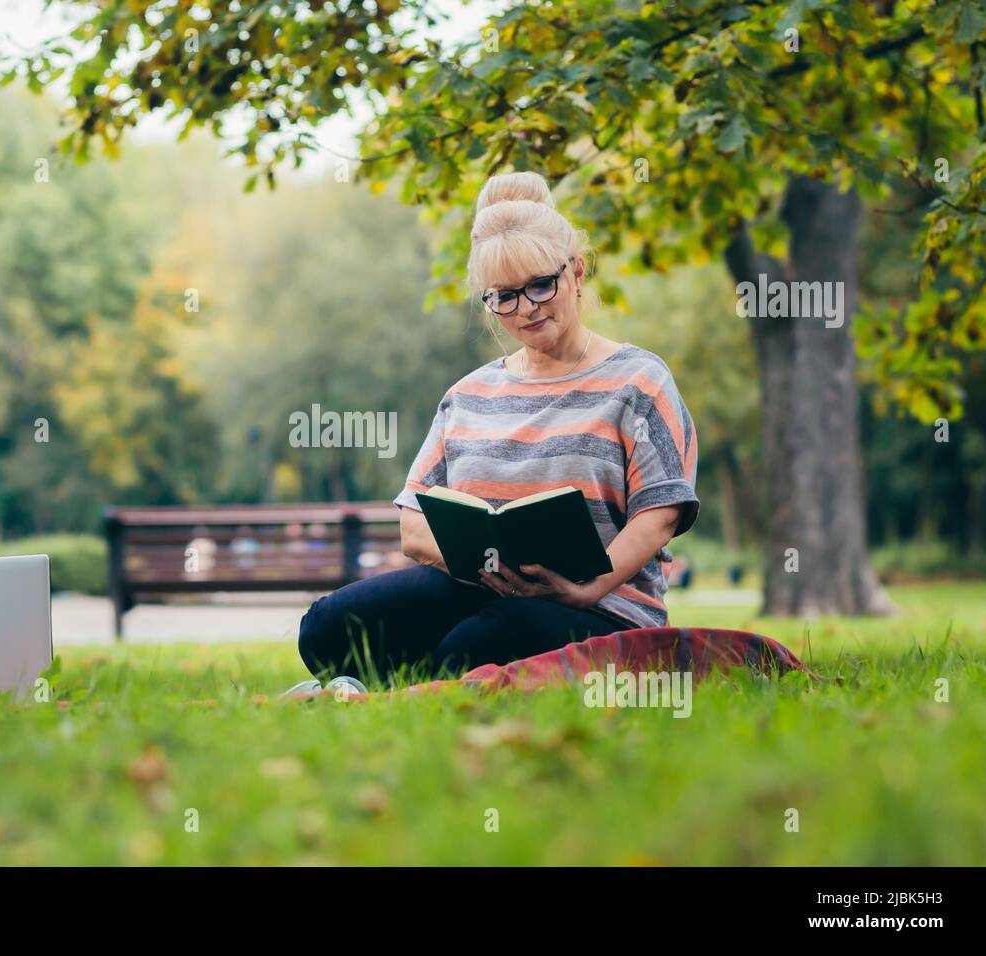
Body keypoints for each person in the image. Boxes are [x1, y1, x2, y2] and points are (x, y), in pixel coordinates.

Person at [292, 171, 699, 692]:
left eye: (539, 285)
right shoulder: (467, 394)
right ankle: (404, 684)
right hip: (478, 586)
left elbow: (660, 515)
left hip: (603, 608)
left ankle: (389, 689)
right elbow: (414, 528)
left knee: (475, 646)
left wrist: (583, 588)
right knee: (327, 626)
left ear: (576, 272)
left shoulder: (639, 380)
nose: (526, 308)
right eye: (503, 296)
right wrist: (492, 569)